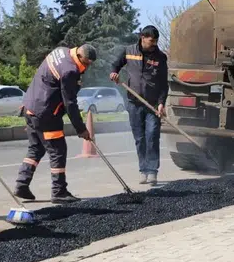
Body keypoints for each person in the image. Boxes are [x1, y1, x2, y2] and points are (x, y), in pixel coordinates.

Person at [14, 44, 96, 203]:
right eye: (86, 63)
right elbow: (70, 103)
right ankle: (59, 191)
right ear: (79, 56)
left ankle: (22, 184)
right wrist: (81, 129)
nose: (86, 67)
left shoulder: (60, 51)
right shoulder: (70, 71)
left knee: (36, 148)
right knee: (58, 150)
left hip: (30, 107)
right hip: (46, 114)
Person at [110, 25, 169, 185]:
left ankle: (152, 171)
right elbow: (115, 65)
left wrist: (162, 103)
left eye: (156, 41)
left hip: (152, 105)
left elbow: (164, 84)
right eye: (151, 41)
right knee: (140, 139)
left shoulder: (160, 57)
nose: (154, 44)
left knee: (152, 136)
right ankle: (143, 170)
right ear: (142, 38)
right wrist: (114, 73)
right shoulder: (129, 51)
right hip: (133, 103)